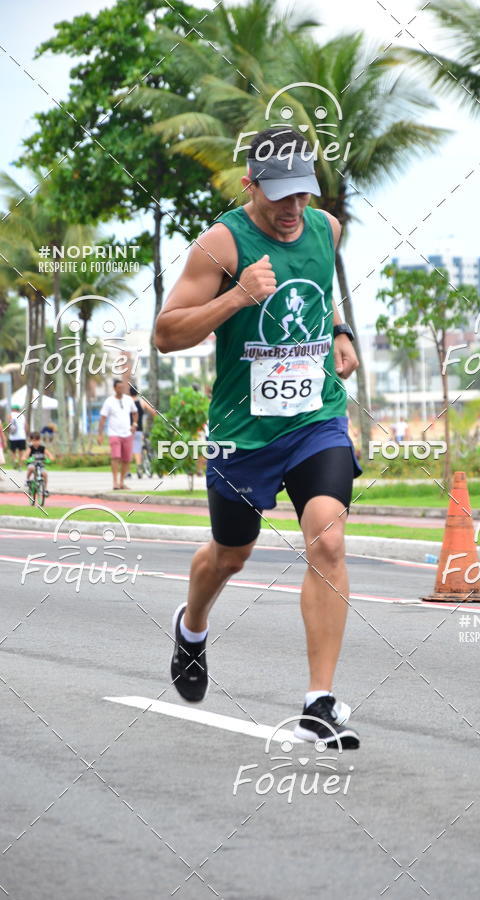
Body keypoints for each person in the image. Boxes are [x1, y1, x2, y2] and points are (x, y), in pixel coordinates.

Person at [155, 126, 362, 748]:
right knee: (231, 554)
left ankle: (318, 703)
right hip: (243, 435)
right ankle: (192, 626)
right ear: (250, 186)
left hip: (314, 419)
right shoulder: (220, 244)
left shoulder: (328, 229)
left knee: (327, 537)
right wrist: (237, 297)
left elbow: (317, 295)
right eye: (279, 197)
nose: (293, 209)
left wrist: (342, 331)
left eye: (302, 194)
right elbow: (166, 333)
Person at [98, 379, 137, 489]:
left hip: (127, 434)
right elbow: (102, 419)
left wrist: (134, 424)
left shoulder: (129, 400)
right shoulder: (109, 401)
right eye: (119, 387)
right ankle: (115, 482)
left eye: (122, 387)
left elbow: (135, 413)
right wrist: (100, 434)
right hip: (114, 433)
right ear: (114, 388)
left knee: (126, 459)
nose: (121, 389)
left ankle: (121, 482)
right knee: (115, 457)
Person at [129, 385, 154, 478]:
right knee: (137, 448)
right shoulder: (142, 402)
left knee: (129, 449)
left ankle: (131, 470)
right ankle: (139, 467)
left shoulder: (127, 402)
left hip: (128, 429)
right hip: (139, 429)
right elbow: (153, 411)